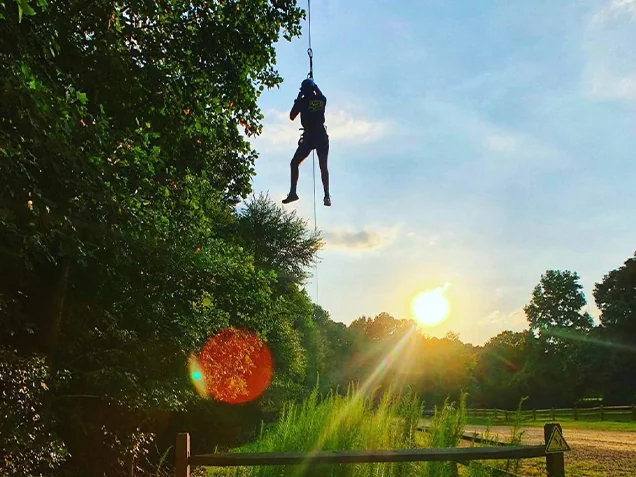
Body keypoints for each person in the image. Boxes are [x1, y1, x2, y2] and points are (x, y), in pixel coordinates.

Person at [282, 78, 331, 207]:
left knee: (295, 163)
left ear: (303, 91)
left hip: (310, 136)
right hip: (319, 135)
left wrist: (298, 98)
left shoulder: (302, 102)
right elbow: (322, 96)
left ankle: (293, 192)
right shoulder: (320, 100)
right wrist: (315, 86)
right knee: (323, 166)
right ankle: (326, 194)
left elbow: (292, 116)